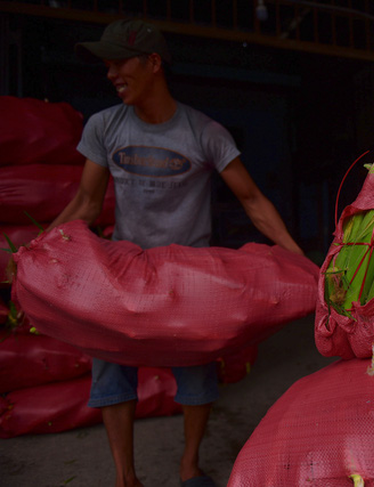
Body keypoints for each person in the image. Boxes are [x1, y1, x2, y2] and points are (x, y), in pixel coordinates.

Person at [49, 18, 304, 487]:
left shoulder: (204, 132)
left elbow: (252, 201)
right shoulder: (104, 126)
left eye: (119, 62)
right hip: (124, 270)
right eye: (106, 65)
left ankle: (189, 466)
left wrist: (301, 261)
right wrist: (34, 255)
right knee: (110, 373)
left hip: (189, 276)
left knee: (198, 378)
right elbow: (85, 203)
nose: (110, 73)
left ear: (153, 63)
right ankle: (126, 477)